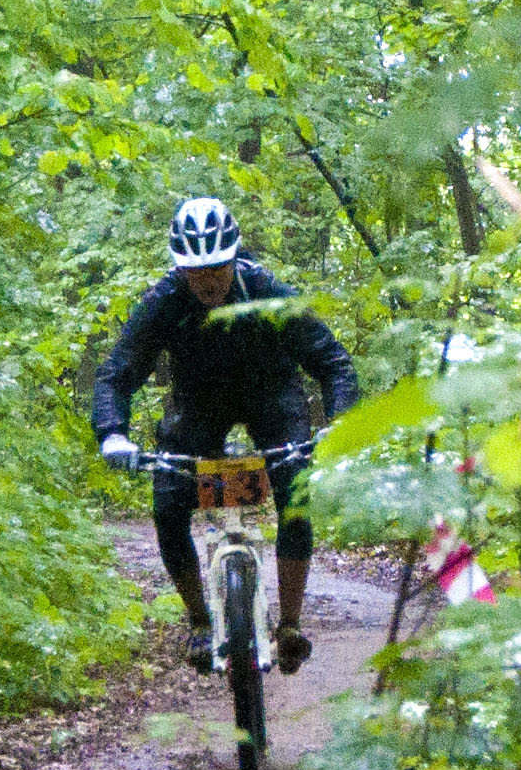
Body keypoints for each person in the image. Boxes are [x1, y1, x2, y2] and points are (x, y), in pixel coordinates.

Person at [90, 194, 358, 675]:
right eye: (196, 272)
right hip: (200, 403)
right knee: (168, 503)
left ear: (234, 259)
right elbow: (117, 373)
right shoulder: (164, 301)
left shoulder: (266, 289)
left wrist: (340, 423)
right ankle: (199, 621)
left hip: (272, 394)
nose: (208, 281)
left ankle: (290, 625)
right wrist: (113, 434)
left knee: (296, 493)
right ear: (180, 269)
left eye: (217, 268)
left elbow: (332, 361)